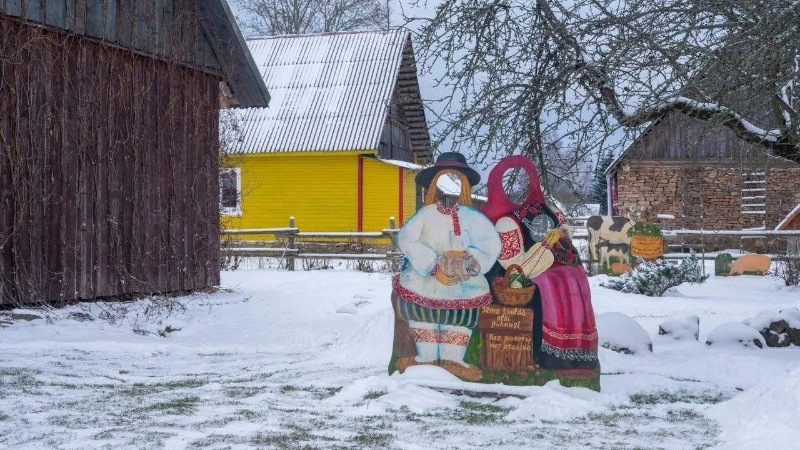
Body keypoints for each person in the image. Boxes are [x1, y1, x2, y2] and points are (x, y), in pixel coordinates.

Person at [391, 152, 501, 381]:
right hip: (426, 280)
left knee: (460, 317)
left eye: (455, 182)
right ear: (435, 185)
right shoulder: (426, 214)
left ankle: (453, 360)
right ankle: (426, 357)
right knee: (422, 313)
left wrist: (468, 260)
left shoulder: (473, 217)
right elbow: (406, 239)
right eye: (444, 182)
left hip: (464, 283)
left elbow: (491, 245)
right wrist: (433, 266)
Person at [481, 155, 598, 370]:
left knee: (575, 278)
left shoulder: (548, 212)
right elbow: (515, 265)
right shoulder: (507, 221)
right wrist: (544, 247)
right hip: (529, 268)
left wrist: (559, 240)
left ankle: (579, 350)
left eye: (530, 180)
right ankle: (554, 354)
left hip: (554, 264)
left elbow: (565, 238)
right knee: (553, 285)